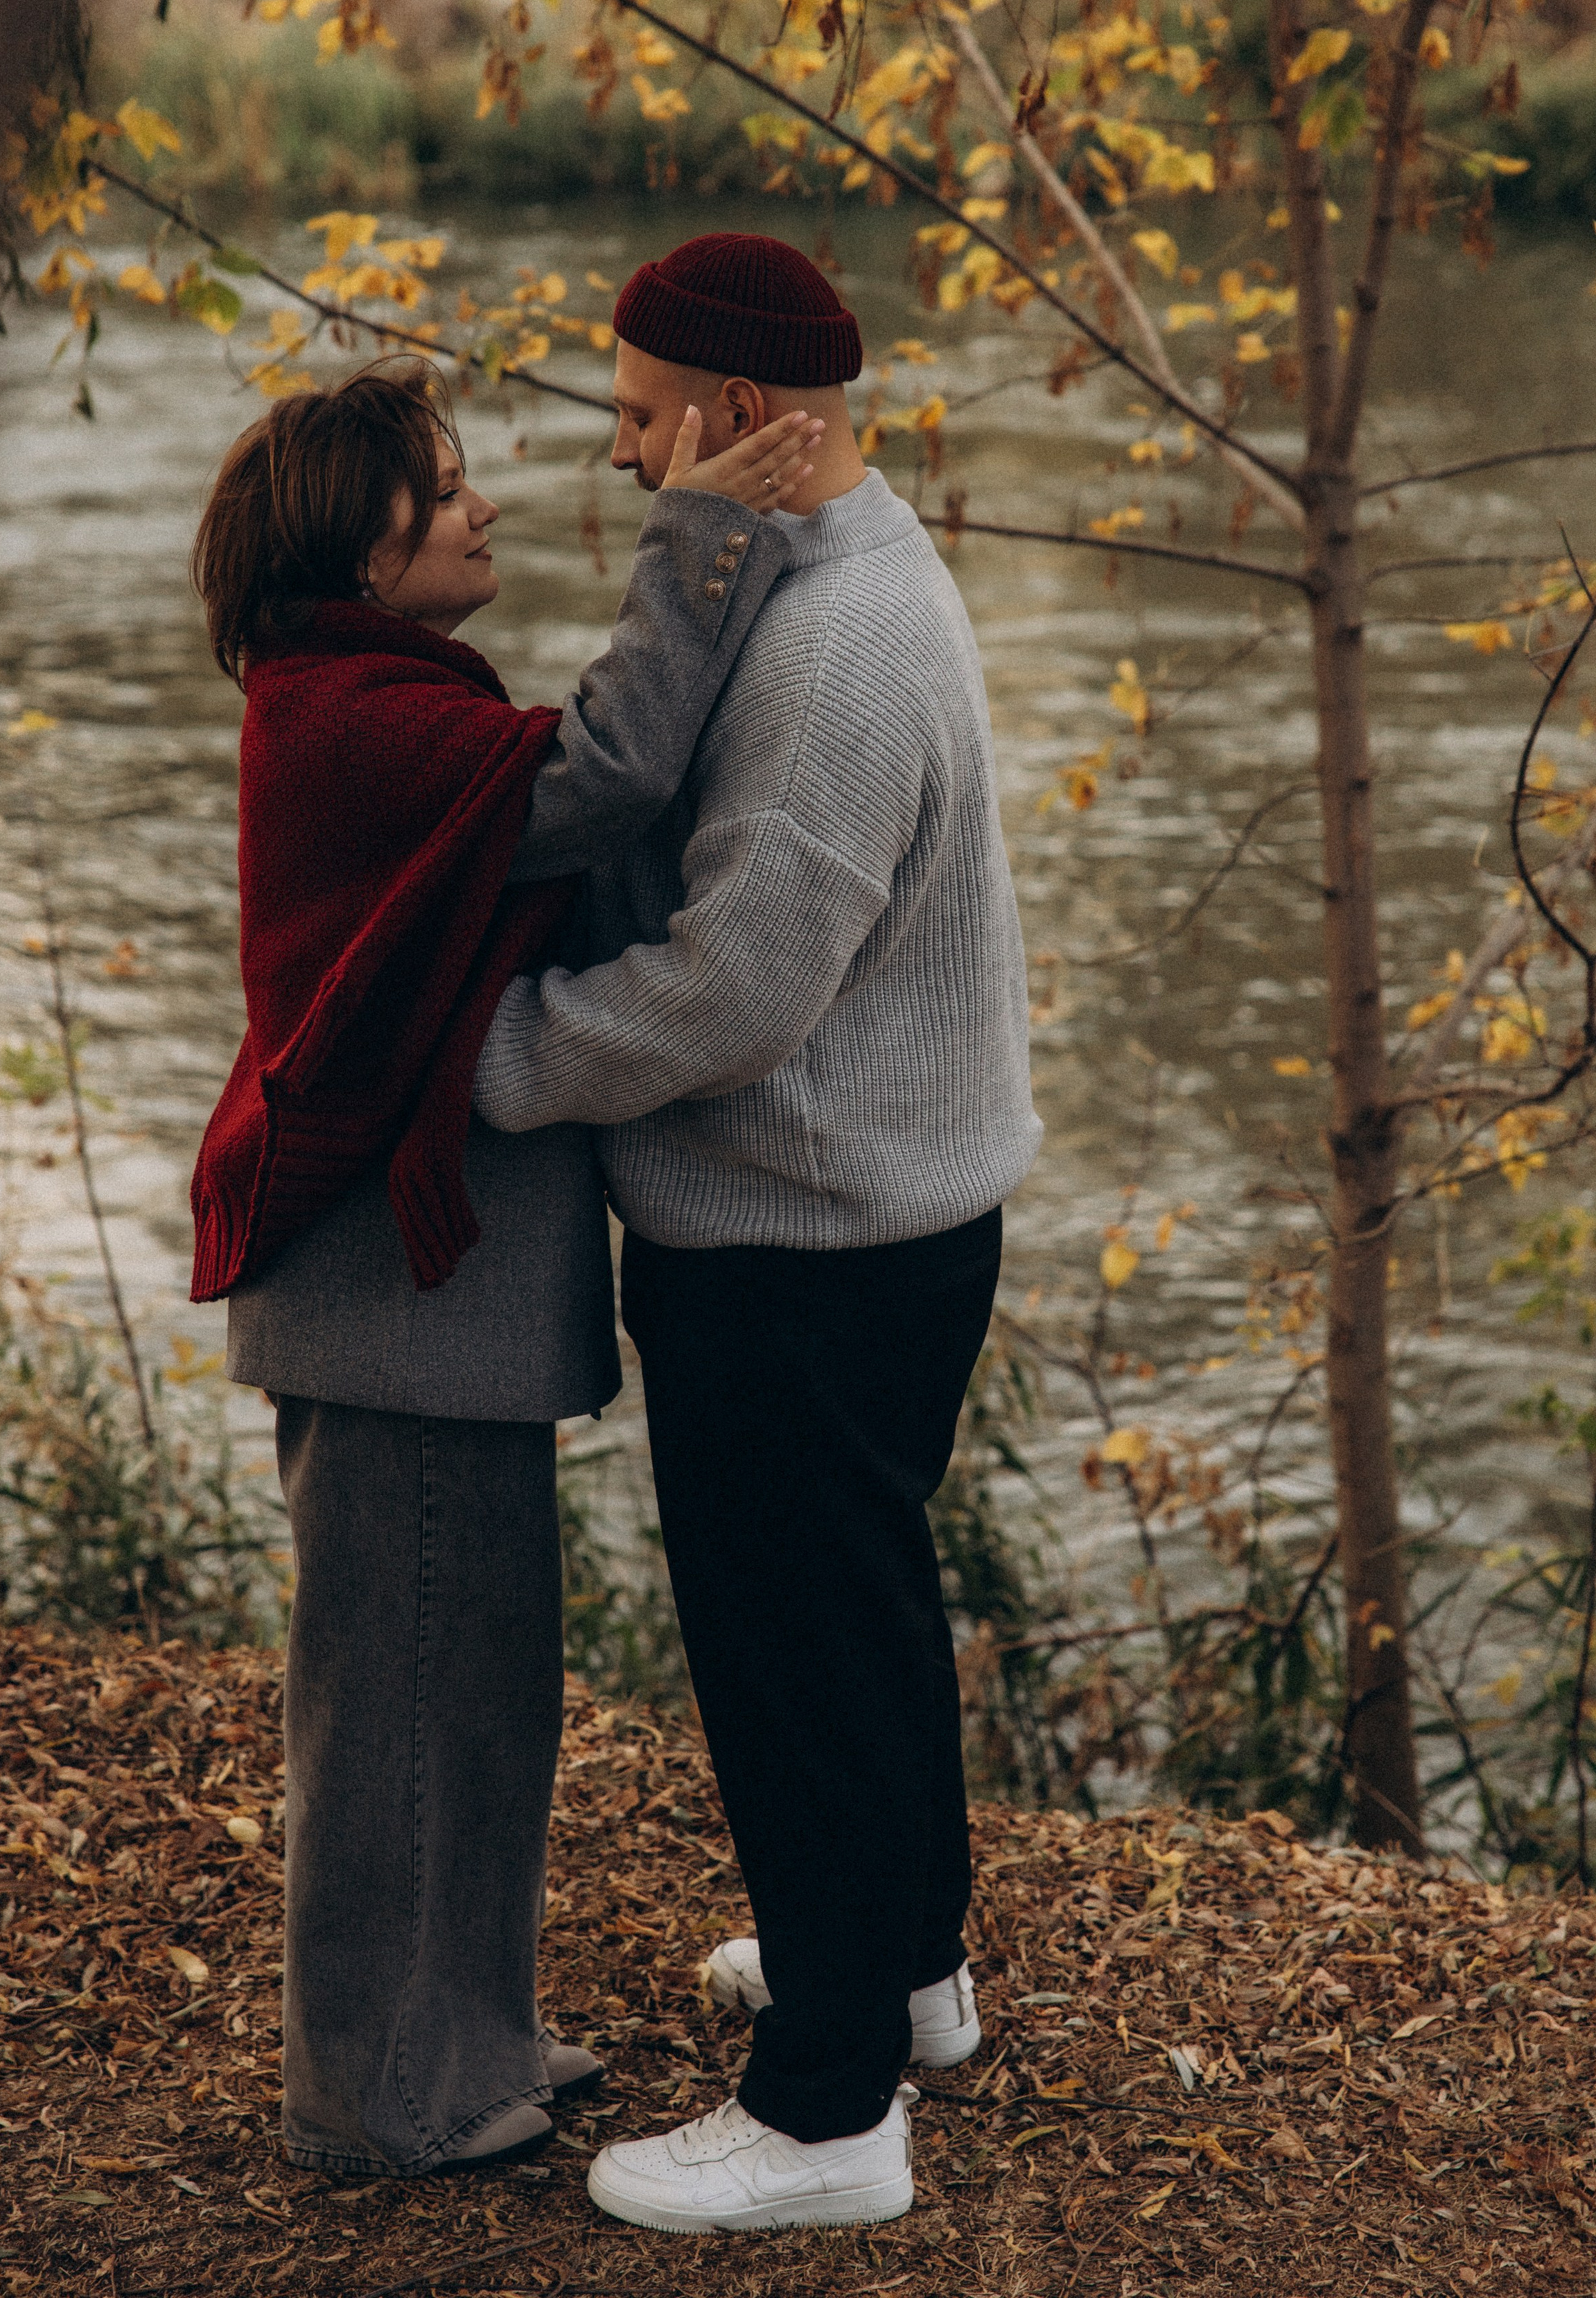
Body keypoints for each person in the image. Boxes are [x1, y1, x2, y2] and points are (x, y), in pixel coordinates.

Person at [188, 353, 822, 2179]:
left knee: (477, 1699)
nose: (482, 504)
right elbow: (607, 772)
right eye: (447, 484)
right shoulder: (352, 721)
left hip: (428, 1309)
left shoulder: (387, 691)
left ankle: (456, 2034)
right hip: (391, 1315)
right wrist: (709, 529)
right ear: (359, 540)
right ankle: (378, 2094)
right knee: (395, 1716)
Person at [473, 231, 1042, 2231]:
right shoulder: (841, 577)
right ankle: (897, 1980)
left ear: (738, 418)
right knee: (860, 1623)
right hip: (879, 1218)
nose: (621, 453)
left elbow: (735, 989)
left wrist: (499, 1058)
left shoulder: (833, 651)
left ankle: (823, 2119)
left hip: (804, 1242)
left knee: (791, 1656)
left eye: (641, 417)